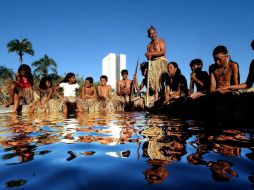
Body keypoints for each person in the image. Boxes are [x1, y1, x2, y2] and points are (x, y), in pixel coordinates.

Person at [145, 26, 168, 100]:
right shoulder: (148, 45)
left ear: (156, 33)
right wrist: (148, 56)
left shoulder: (160, 40)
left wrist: (151, 54)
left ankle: (163, 99)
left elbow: (163, 52)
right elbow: (149, 57)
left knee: (161, 83)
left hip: (161, 62)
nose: (153, 35)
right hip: (153, 64)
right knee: (154, 84)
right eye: (151, 34)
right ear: (149, 35)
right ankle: (156, 100)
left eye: (154, 33)